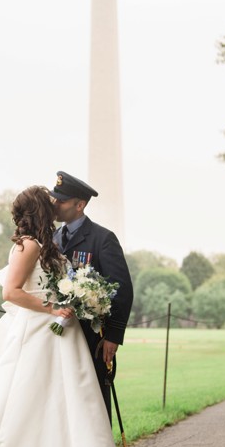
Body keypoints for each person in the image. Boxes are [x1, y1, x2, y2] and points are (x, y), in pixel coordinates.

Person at [0, 186, 126, 447]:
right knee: (36, 407)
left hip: (60, 337)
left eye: (59, 200)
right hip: (40, 333)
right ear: (40, 209)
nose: (56, 205)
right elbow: (10, 293)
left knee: (66, 409)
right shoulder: (29, 245)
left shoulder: (46, 244)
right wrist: (52, 309)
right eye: (50, 201)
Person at [49, 171, 134, 415]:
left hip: (92, 337)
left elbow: (122, 290)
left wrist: (114, 336)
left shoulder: (103, 239)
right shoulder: (53, 238)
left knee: (93, 401)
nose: (55, 204)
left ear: (80, 205)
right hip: (60, 336)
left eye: (61, 200)